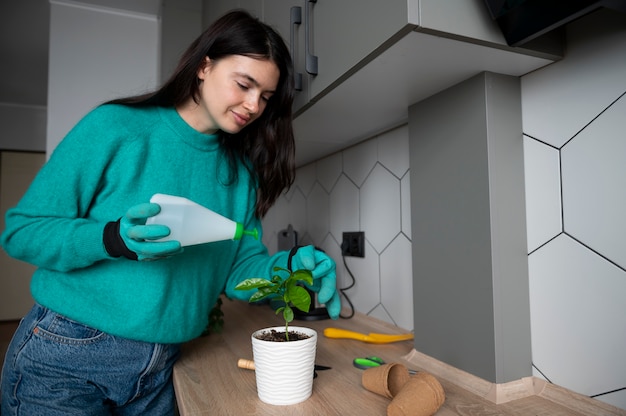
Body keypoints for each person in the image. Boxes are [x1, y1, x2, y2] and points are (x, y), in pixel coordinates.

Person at [0, 10, 340, 416]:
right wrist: (111, 239)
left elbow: (238, 273)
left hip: (161, 368)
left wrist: (288, 268)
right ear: (204, 66)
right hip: (67, 358)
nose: (254, 105)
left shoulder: (242, 175)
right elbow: (21, 231)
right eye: (244, 84)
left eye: (266, 97)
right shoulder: (115, 127)